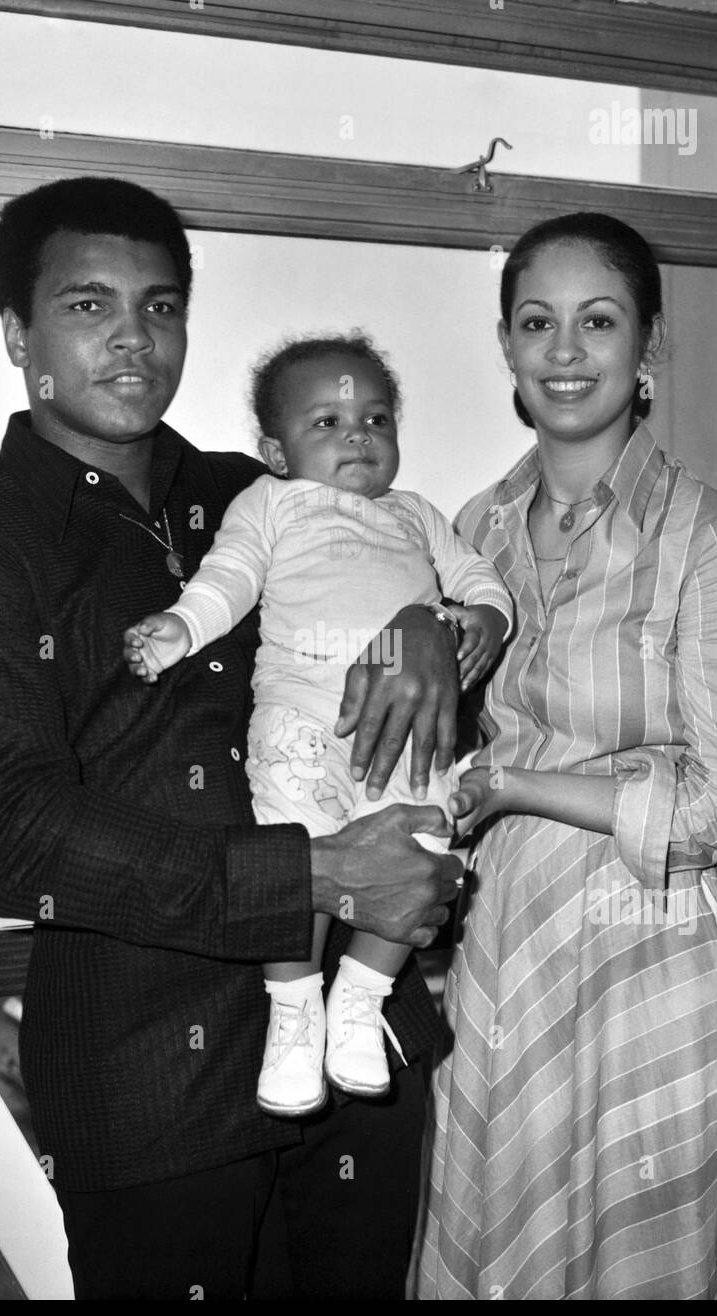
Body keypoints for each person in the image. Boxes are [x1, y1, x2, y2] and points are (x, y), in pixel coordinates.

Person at [0, 177, 468, 1300]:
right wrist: (319, 871)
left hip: (359, 1051)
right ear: (18, 332)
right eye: (88, 306)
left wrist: (430, 626)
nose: (132, 340)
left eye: (160, 307)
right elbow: (15, 839)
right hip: (149, 1086)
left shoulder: (253, 492)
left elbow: (395, 658)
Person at [417, 213, 717, 1299]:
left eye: (598, 322)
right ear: (504, 342)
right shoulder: (473, 528)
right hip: (508, 946)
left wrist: (521, 786)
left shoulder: (706, 532)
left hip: (659, 954)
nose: (564, 351)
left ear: (649, 346)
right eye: (536, 322)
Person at [123, 334, 512, 1115]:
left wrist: (482, 621)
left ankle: (363, 996)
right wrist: (178, 628)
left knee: (425, 841)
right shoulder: (269, 503)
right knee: (294, 851)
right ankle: (294, 1012)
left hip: (408, 734)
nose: (358, 435)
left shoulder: (417, 515)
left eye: (375, 418)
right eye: (327, 422)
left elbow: (484, 586)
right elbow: (226, 579)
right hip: (304, 718)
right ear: (275, 449)